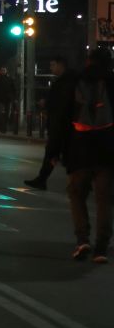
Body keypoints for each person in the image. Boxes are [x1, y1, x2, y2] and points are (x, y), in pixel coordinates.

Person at [53, 48, 113, 263]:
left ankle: (82, 239)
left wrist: (55, 150)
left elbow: (62, 119)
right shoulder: (111, 82)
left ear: (88, 61)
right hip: (107, 149)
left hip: (80, 148)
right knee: (104, 200)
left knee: (77, 194)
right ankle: (101, 248)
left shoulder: (76, 82)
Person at [25, 55, 76, 190]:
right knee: (53, 154)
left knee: (59, 154)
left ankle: (78, 183)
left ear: (61, 65)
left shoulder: (66, 82)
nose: (50, 68)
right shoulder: (65, 81)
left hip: (62, 125)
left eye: (53, 65)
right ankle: (43, 179)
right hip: (61, 124)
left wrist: (47, 103)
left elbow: (62, 103)